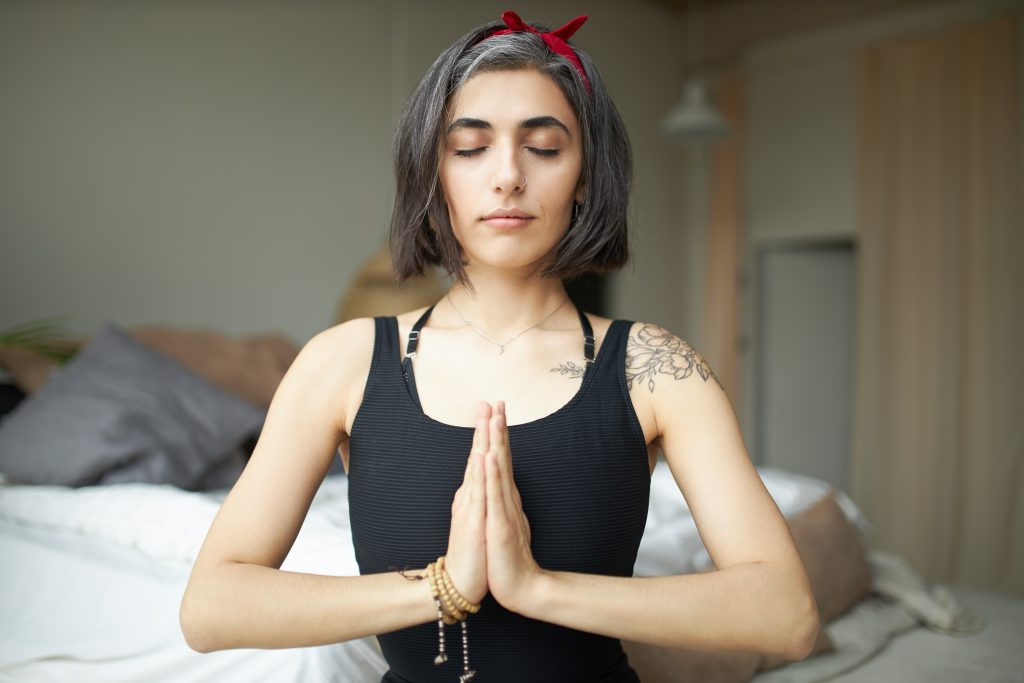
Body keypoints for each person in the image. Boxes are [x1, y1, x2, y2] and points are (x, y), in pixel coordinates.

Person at [179, 10, 819, 683]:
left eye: (543, 148)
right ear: (434, 174)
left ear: (585, 176)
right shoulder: (342, 362)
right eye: (470, 148)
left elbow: (787, 613)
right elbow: (211, 607)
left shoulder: (657, 368)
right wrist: (444, 587)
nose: (508, 175)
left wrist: (536, 587)